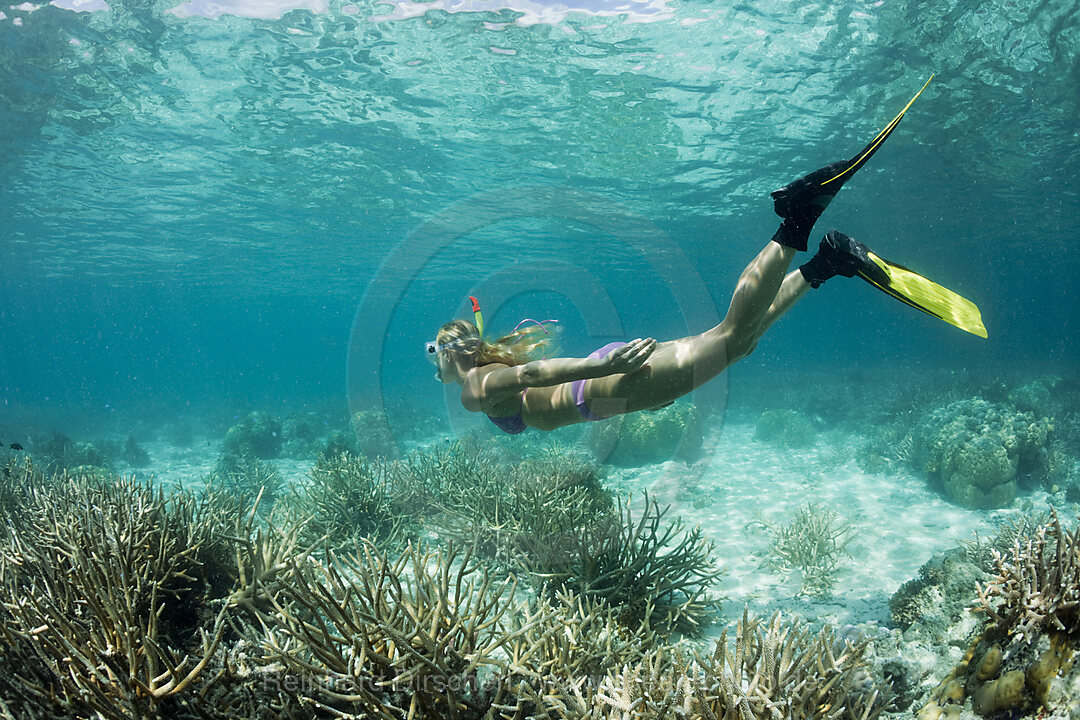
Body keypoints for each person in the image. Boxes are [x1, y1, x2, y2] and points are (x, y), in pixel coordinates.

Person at [426, 79, 985, 435]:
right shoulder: (482, 373)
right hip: (615, 387)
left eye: (434, 353)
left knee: (730, 336)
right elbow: (532, 375)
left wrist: (608, 369)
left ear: (452, 353)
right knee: (736, 344)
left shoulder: (477, 389)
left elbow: (538, 371)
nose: (433, 364)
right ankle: (827, 262)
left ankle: (800, 218)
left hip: (612, 384)